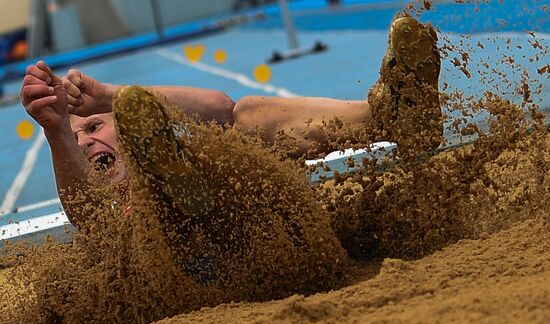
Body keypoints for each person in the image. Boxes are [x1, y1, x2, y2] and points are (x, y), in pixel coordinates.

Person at [20, 15, 442, 229]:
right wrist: (57, 130)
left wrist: (111, 96)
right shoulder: (106, 216)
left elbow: (221, 107)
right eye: (79, 142)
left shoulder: (211, 164)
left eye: (94, 127)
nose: (88, 143)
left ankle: (392, 117)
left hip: (251, 231)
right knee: (133, 224)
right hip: (180, 267)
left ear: (131, 134)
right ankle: (177, 203)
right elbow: (90, 218)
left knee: (247, 118)